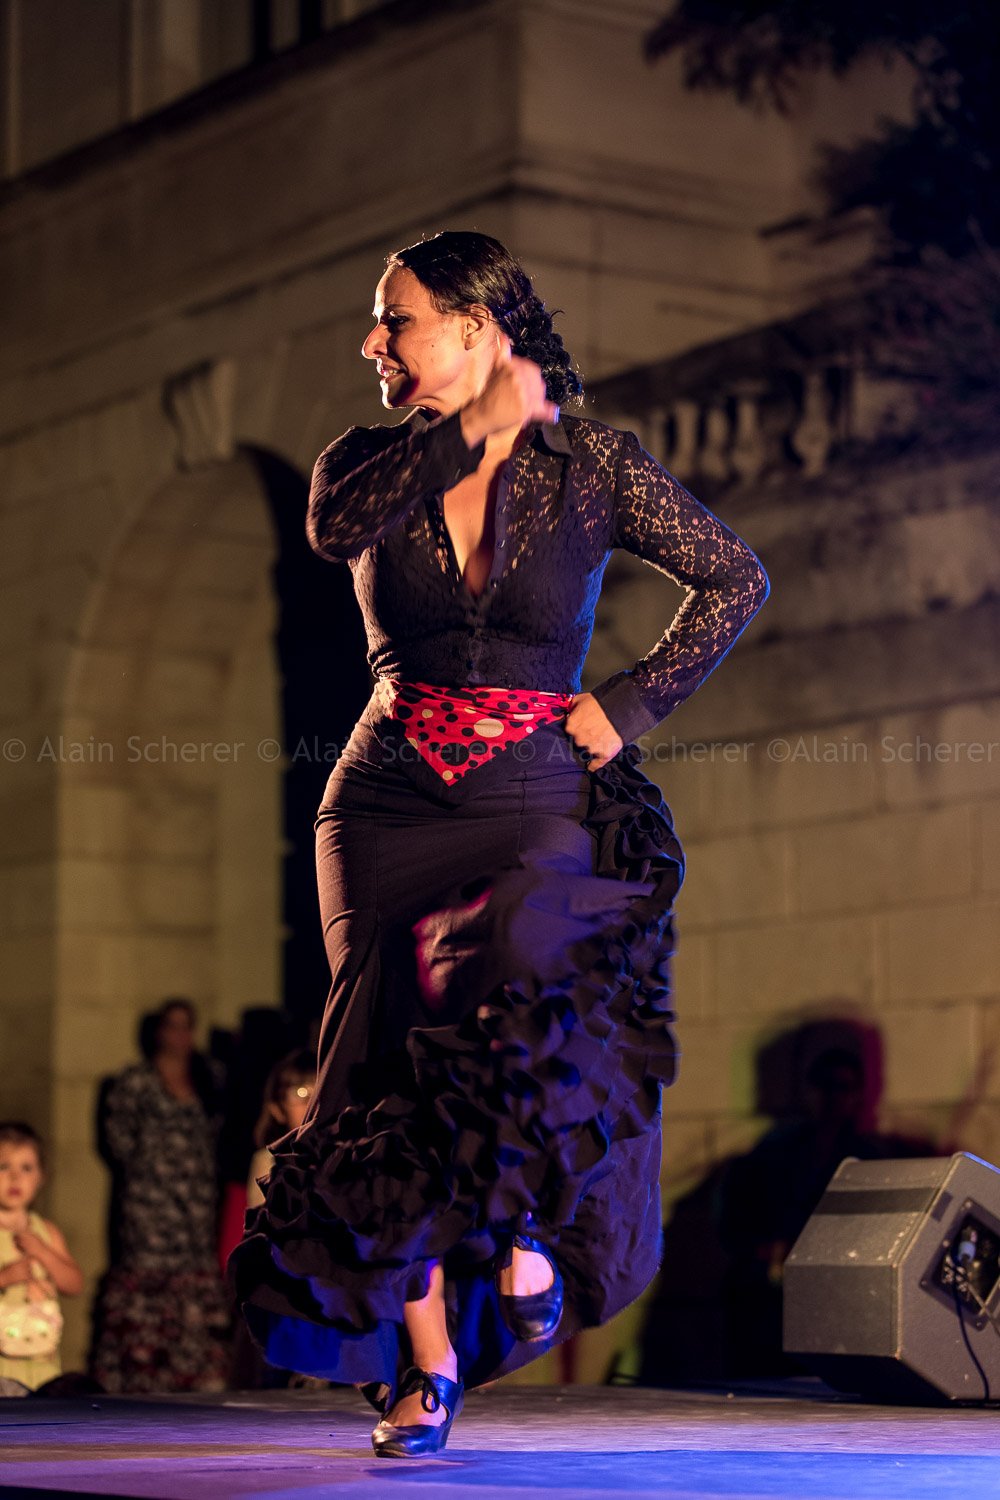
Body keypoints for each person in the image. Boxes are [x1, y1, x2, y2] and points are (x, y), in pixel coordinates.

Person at [229, 229, 770, 1456]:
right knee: (380, 1074)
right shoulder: (363, 465)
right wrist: (467, 431)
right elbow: (333, 532)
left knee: (526, 1000)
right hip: (381, 803)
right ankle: (425, 1368)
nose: (373, 341)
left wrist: (628, 704)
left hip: (529, 788)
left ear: (476, 329)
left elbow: (735, 578)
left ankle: (528, 1229)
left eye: (397, 318)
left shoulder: (594, 466)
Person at [90, 997, 231, 1393]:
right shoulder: (135, 1081)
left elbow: (218, 1134)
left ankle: (191, 1379)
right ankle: (138, 1379)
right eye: (172, 1025)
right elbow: (117, 1141)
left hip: (196, 1207)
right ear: (157, 1031)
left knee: (192, 1288)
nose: (180, 1035)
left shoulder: (208, 1078)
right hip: (149, 1207)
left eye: (187, 1026)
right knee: (148, 1285)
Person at [0, 1122, 83, 1392]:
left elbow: (74, 1284)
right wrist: (6, 1277)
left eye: (26, 1168)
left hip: (41, 1362)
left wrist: (43, 1252)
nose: (15, 1178)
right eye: (3, 1167)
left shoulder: (45, 1232)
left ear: (40, 1177)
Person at [246, 1049, 316, 1210]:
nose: (311, 1102)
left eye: (318, 1090)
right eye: (300, 1092)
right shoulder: (270, 1163)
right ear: (277, 1109)